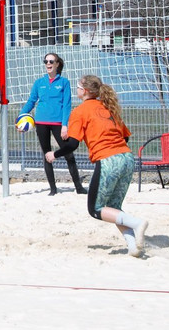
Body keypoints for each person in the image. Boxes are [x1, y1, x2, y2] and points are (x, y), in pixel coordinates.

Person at [62, 74, 149, 258]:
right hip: (126, 158)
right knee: (114, 206)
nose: (76, 89)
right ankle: (133, 245)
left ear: (84, 91)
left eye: (77, 86)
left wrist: (53, 154)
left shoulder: (80, 111)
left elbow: (72, 145)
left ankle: (137, 223)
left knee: (96, 209)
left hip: (109, 160)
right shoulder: (108, 107)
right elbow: (125, 136)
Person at [17, 52, 87, 195]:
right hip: (41, 122)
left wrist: (64, 125)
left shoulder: (64, 82)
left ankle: (79, 187)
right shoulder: (39, 83)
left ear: (57, 64)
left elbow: (67, 105)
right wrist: (21, 117)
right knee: (47, 155)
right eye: (46, 61)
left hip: (57, 123)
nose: (48, 64)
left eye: (51, 61)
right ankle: (53, 189)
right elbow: (31, 101)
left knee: (69, 154)